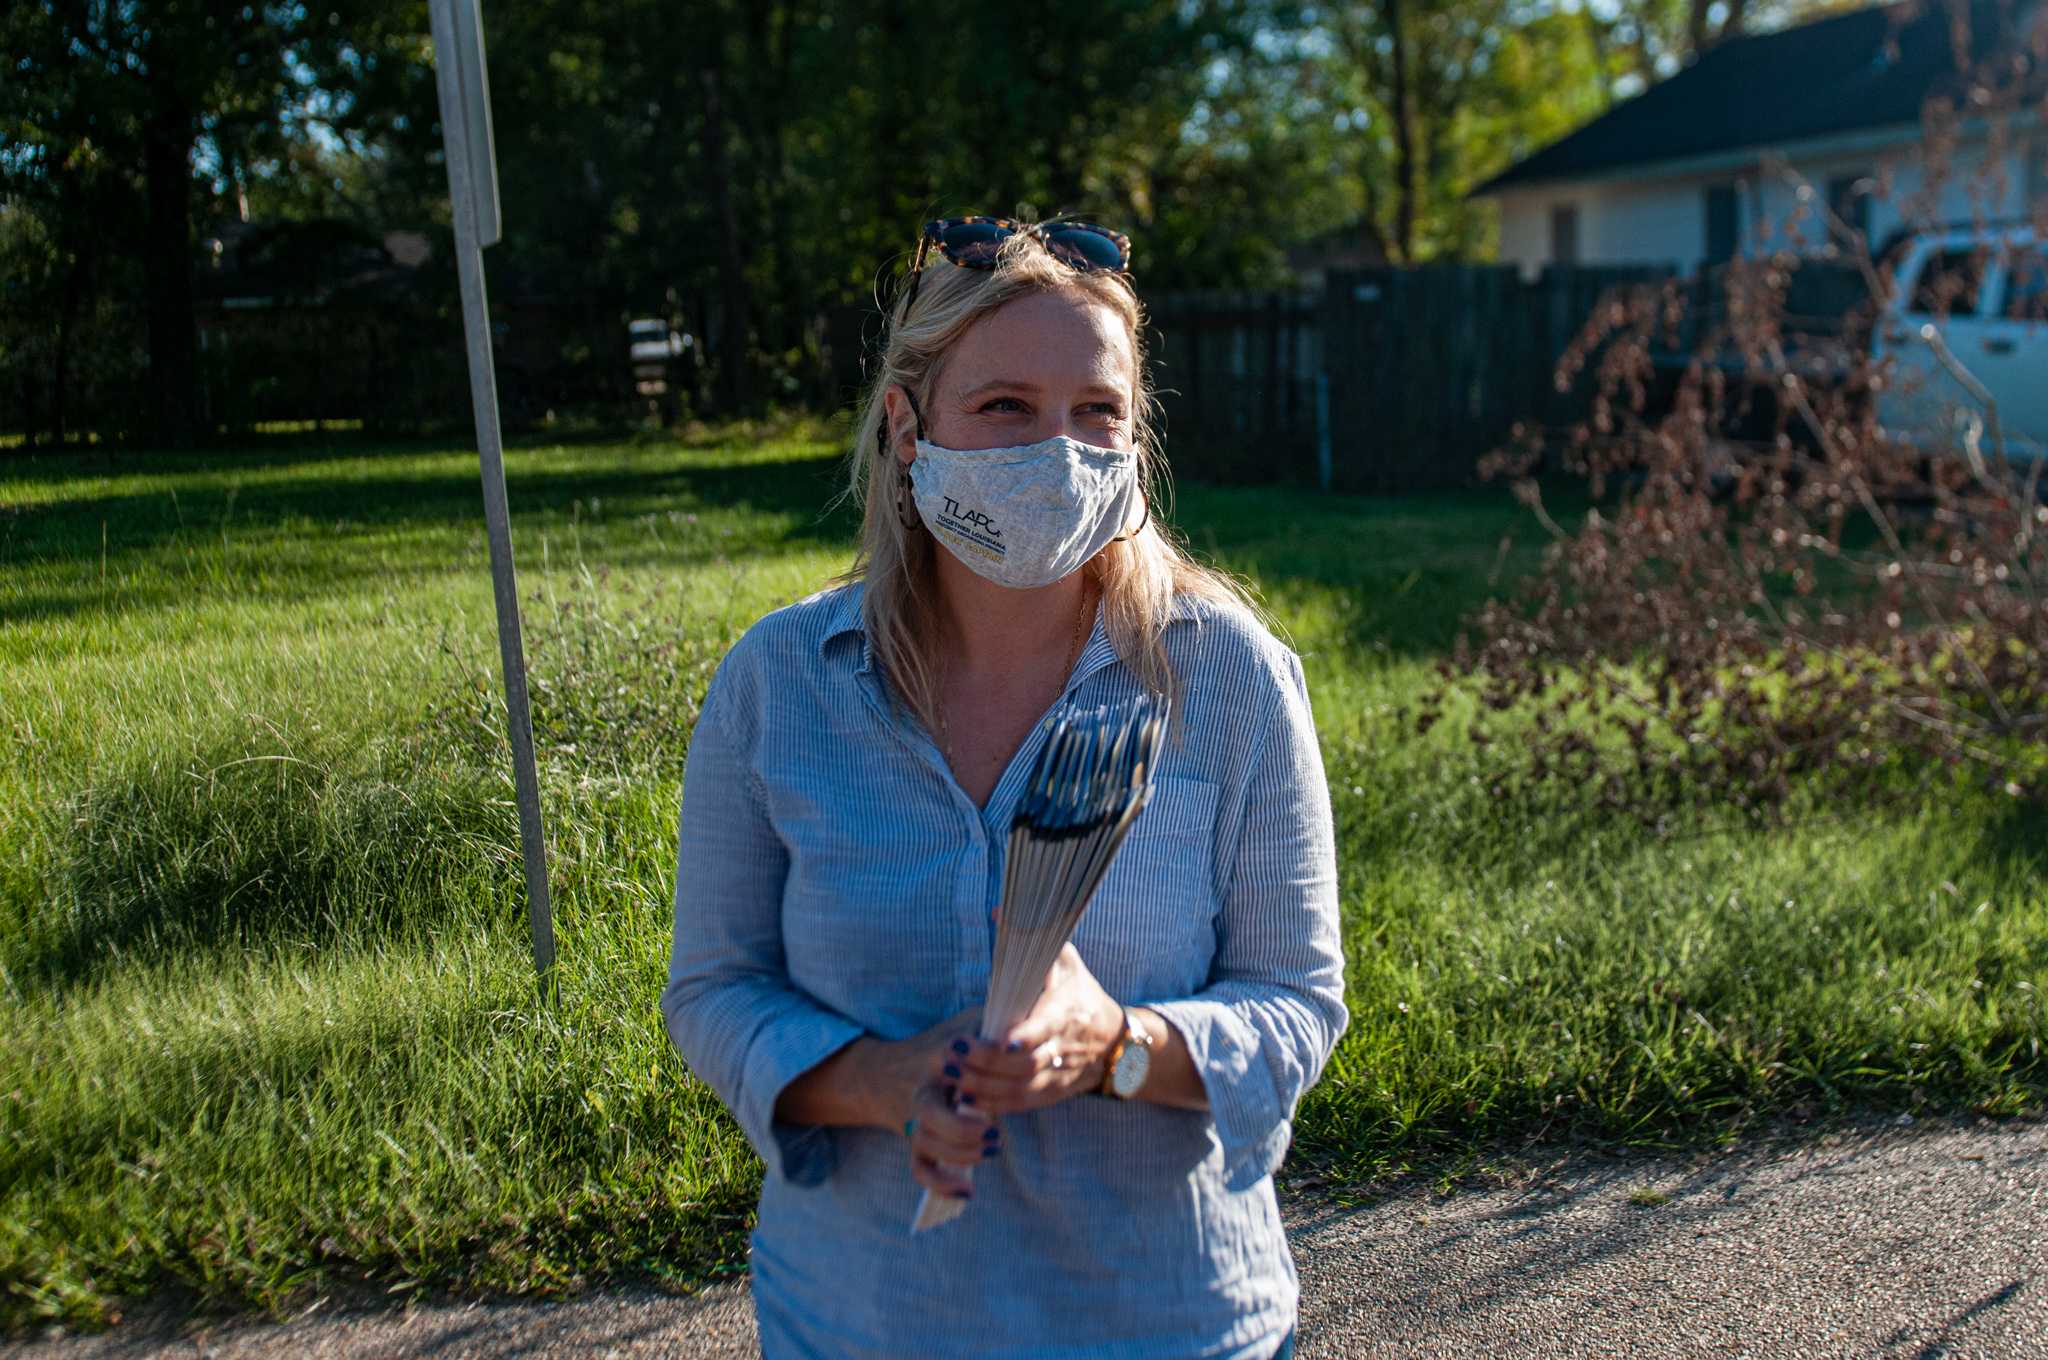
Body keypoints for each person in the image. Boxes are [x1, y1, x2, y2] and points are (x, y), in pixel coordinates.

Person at [661, 216, 1347, 1359]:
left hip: (1169, 1323)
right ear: (906, 426)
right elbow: (715, 989)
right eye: (1004, 408)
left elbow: (1294, 1004)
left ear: (1134, 439)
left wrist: (1115, 1046)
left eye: (1096, 412)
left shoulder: (1229, 677)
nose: (1058, 450)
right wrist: (880, 1082)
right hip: (860, 1322)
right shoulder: (779, 683)